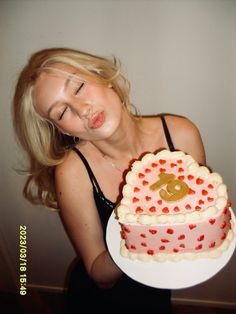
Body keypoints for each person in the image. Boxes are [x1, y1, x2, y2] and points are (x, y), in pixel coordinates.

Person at [13, 47, 206, 313]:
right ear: (60, 129)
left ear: (103, 76)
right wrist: (143, 233)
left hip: (160, 286)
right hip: (106, 301)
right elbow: (99, 275)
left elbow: (200, 213)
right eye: (61, 112)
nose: (81, 110)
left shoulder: (182, 134)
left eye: (79, 86)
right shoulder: (72, 172)